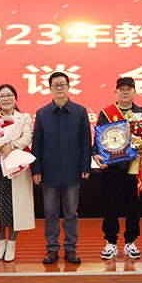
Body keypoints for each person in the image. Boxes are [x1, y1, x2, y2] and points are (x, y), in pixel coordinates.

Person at [32, 72, 91, 265]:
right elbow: (37, 144)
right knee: (50, 213)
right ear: (50, 88)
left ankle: (71, 249)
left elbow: (85, 141)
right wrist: (36, 169)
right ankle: (52, 249)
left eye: (62, 84)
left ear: (68, 87)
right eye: (55, 85)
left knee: (71, 213)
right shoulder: (42, 114)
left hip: (72, 170)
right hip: (48, 171)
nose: (59, 88)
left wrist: (85, 165)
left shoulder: (80, 112)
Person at [92, 76, 142, 260]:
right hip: (112, 168)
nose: (125, 92)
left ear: (134, 92)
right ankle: (111, 242)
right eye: (121, 89)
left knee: (133, 207)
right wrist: (95, 154)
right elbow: (98, 139)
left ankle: (131, 241)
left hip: (134, 168)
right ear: (115, 92)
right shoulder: (106, 113)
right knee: (111, 206)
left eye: (128, 89)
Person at [0, 84, 35, 262]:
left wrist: (11, 146)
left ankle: (11, 245)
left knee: (15, 208)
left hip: (17, 168)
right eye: (2, 96)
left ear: (15, 98)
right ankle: (1, 245)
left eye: (9, 95)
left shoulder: (24, 117)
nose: (6, 98)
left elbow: (28, 137)